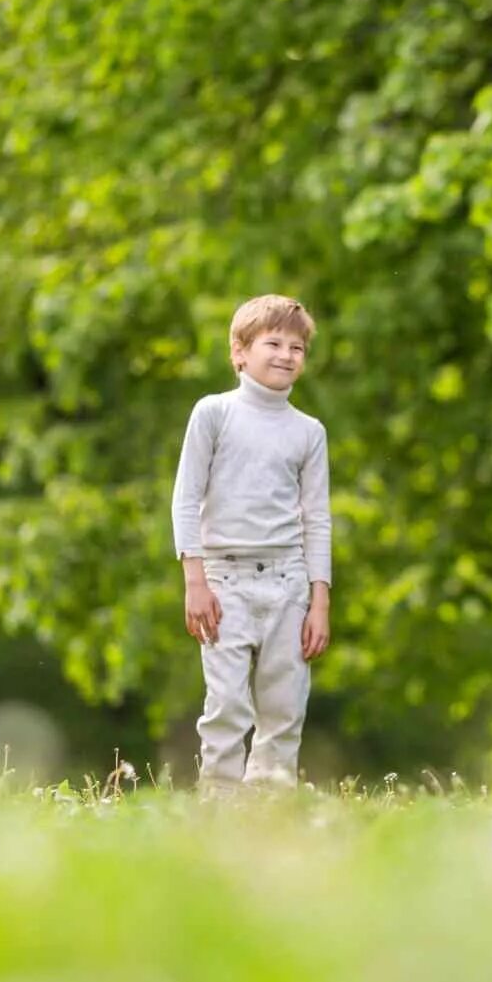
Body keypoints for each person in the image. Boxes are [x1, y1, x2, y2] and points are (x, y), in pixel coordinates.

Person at [172, 295, 333, 789]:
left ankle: (268, 812)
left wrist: (319, 600)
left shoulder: (308, 432)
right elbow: (185, 499)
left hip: (288, 583)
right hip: (224, 581)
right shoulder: (214, 413)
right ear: (240, 352)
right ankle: (218, 807)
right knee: (226, 704)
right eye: (274, 343)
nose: (286, 354)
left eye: (297, 347)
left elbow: (317, 518)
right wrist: (195, 582)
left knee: (284, 706)